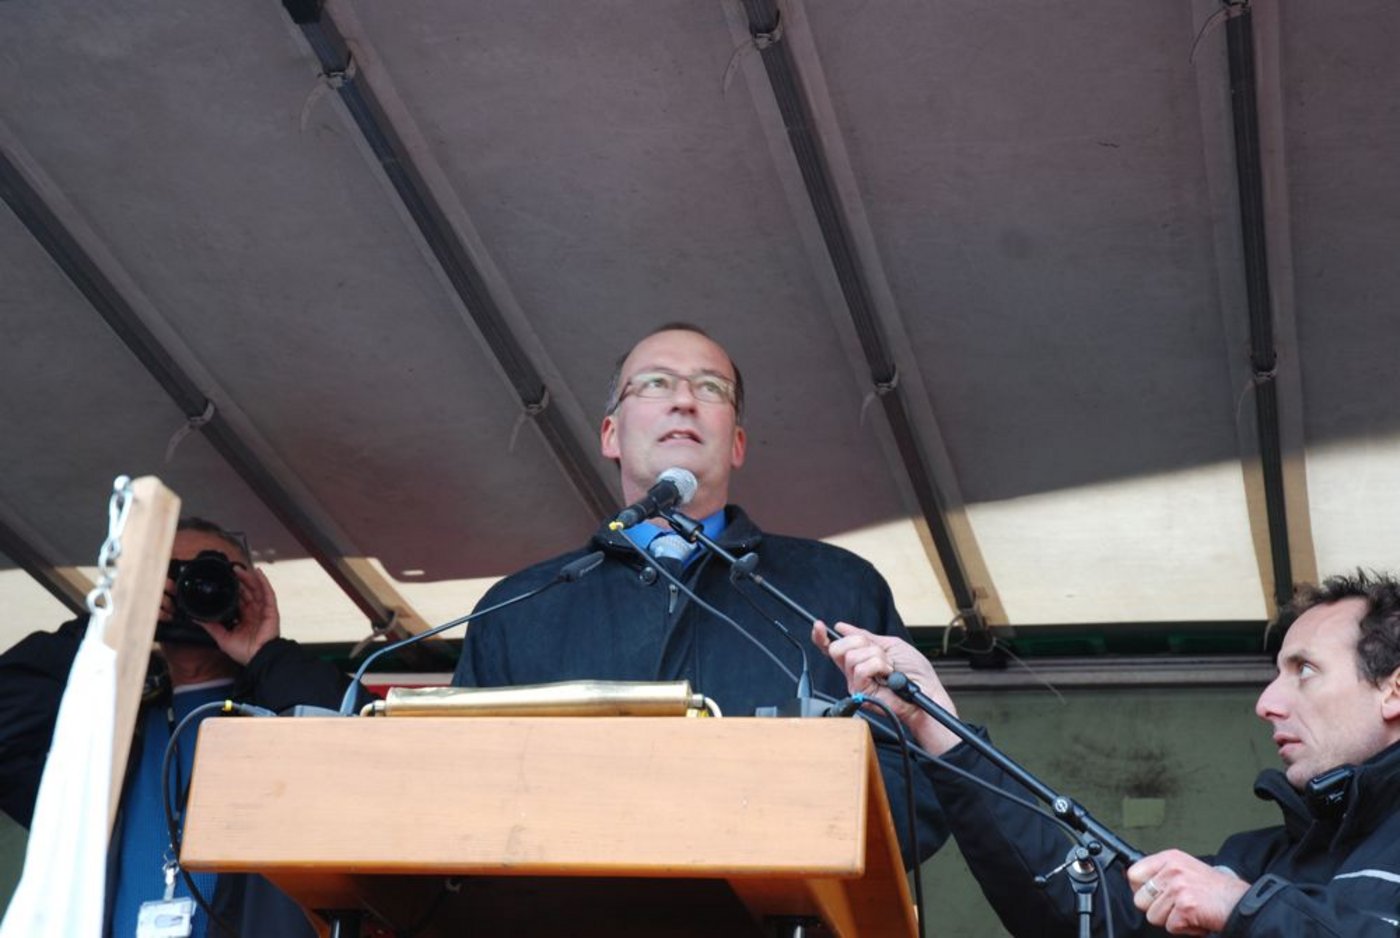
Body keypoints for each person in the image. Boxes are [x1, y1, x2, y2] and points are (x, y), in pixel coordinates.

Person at [453, 323, 947, 866]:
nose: (684, 400)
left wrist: (777, 820)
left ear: (736, 444)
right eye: (656, 383)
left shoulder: (838, 587)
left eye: (711, 388)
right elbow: (457, 798)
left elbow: (918, 795)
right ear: (610, 435)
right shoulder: (519, 607)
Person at [813, 570, 1400, 936]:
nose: (1267, 702)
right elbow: (1088, 913)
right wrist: (934, 719)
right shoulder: (1265, 858)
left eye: (1304, 671)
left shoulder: (1249, 888)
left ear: (1393, 691)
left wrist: (1243, 907)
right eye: (1275, 674)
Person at [0, 517, 354, 938]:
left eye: (208, 575)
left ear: (248, 591)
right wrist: (108, 628)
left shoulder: (282, 712)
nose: (186, 591)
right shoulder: (113, 733)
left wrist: (268, 654)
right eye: (165, 577)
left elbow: (357, 748)